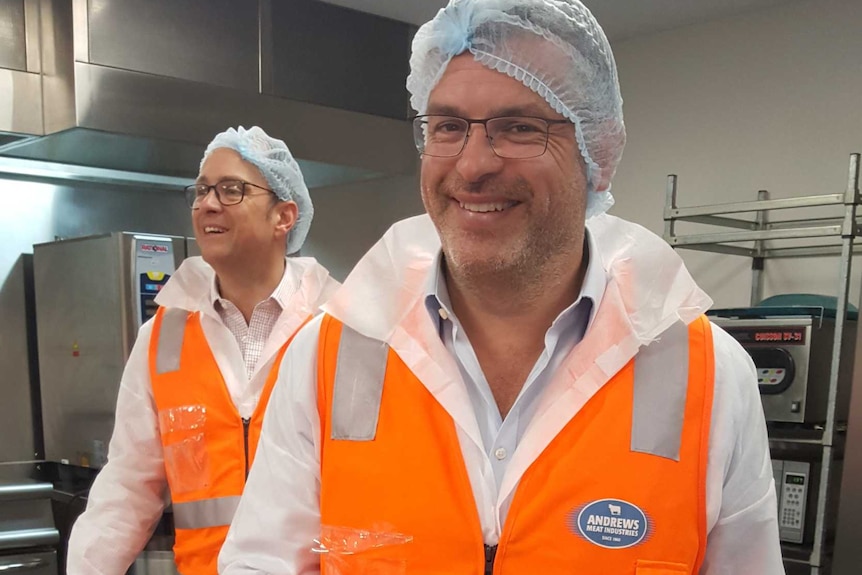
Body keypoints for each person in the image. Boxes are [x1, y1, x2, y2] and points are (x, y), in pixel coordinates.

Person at [219, 1, 784, 573]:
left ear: (598, 153)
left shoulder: (708, 374)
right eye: (448, 127)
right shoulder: (330, 356)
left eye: (519, 127)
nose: (471, 165)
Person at [67, 126, 340, 575]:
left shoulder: (338, 327)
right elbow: (126, 490)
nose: (208, 204)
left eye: (232, 190)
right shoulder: (161, 338)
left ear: (284, 216)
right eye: (201, 190)